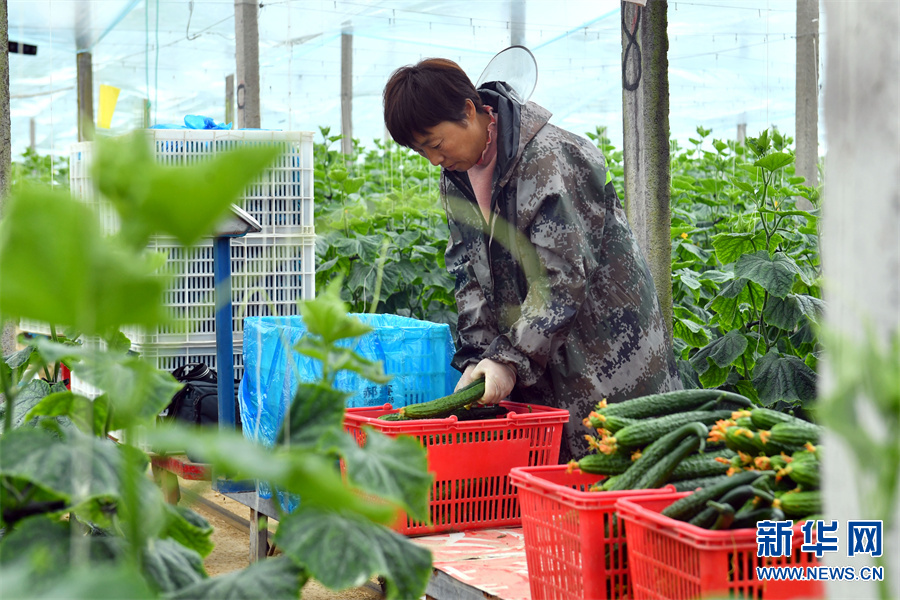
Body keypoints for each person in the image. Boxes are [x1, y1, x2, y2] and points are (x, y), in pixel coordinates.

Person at [382, 57, 681, 462]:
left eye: (435, 144)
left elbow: (562, 279)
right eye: (422, 151)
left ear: (470, 112)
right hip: (541, 355)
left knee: (620, 471)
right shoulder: (456, 178)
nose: (435, 160)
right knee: (557, 487)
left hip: (607, 354)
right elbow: (469, 276)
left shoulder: (552, 158)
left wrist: (508, 359)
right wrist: (479, 358)